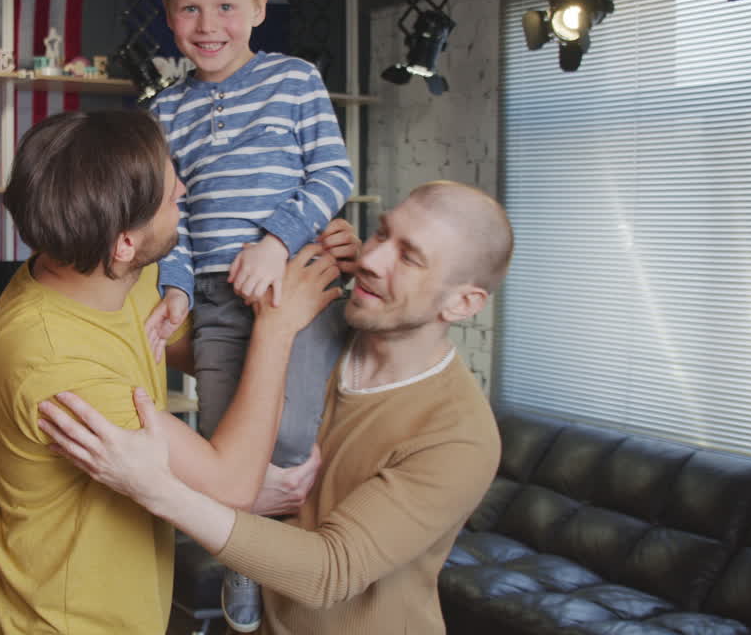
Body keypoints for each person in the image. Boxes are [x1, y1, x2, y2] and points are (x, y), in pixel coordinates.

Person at [39, 180, 514, 635]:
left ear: (463, 303)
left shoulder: (459, 436)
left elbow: (329, 570)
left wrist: (157, 488)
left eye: (408, 258)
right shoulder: (305, 319)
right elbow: (179, 340)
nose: (370, 257)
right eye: (382, 232)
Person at [0, 109, 358, 635]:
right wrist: (278, 327)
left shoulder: (112, 274)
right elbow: (231, 484)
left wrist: (311, 254)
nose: (184, 187)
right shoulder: (53, 360)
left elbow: (191, 348)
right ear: (125, 242)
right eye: (169, 191)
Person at [143, 0, 355, 629]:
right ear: (170, 15)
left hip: (294, 282)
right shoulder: (163, 111)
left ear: (260, 8)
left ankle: (290, 570)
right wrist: (174, 289)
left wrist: (273, 240)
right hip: (216, 301)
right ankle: (243, 576)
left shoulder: (293, 79)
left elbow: (333, 175)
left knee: (289, 439)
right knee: (222, 452)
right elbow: (172, 222)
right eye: (192, 9)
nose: (209, 27)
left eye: (227, 7)